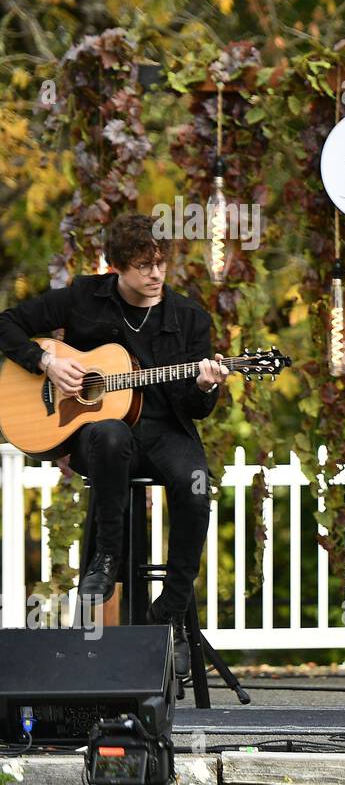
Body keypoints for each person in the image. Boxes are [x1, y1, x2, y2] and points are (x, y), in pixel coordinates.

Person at [0, 213, 230, 675]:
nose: (155, 274)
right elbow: (6, 323)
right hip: (97, 438)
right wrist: (45, 361)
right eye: (143, 265)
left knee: (197, 484)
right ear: (117, 266)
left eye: (160, 263)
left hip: (167, 432)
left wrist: (206, 386)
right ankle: (105, 559)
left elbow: (199, 410)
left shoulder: (188, 318)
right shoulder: (84, 298)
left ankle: (170, 615)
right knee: (109, 433)